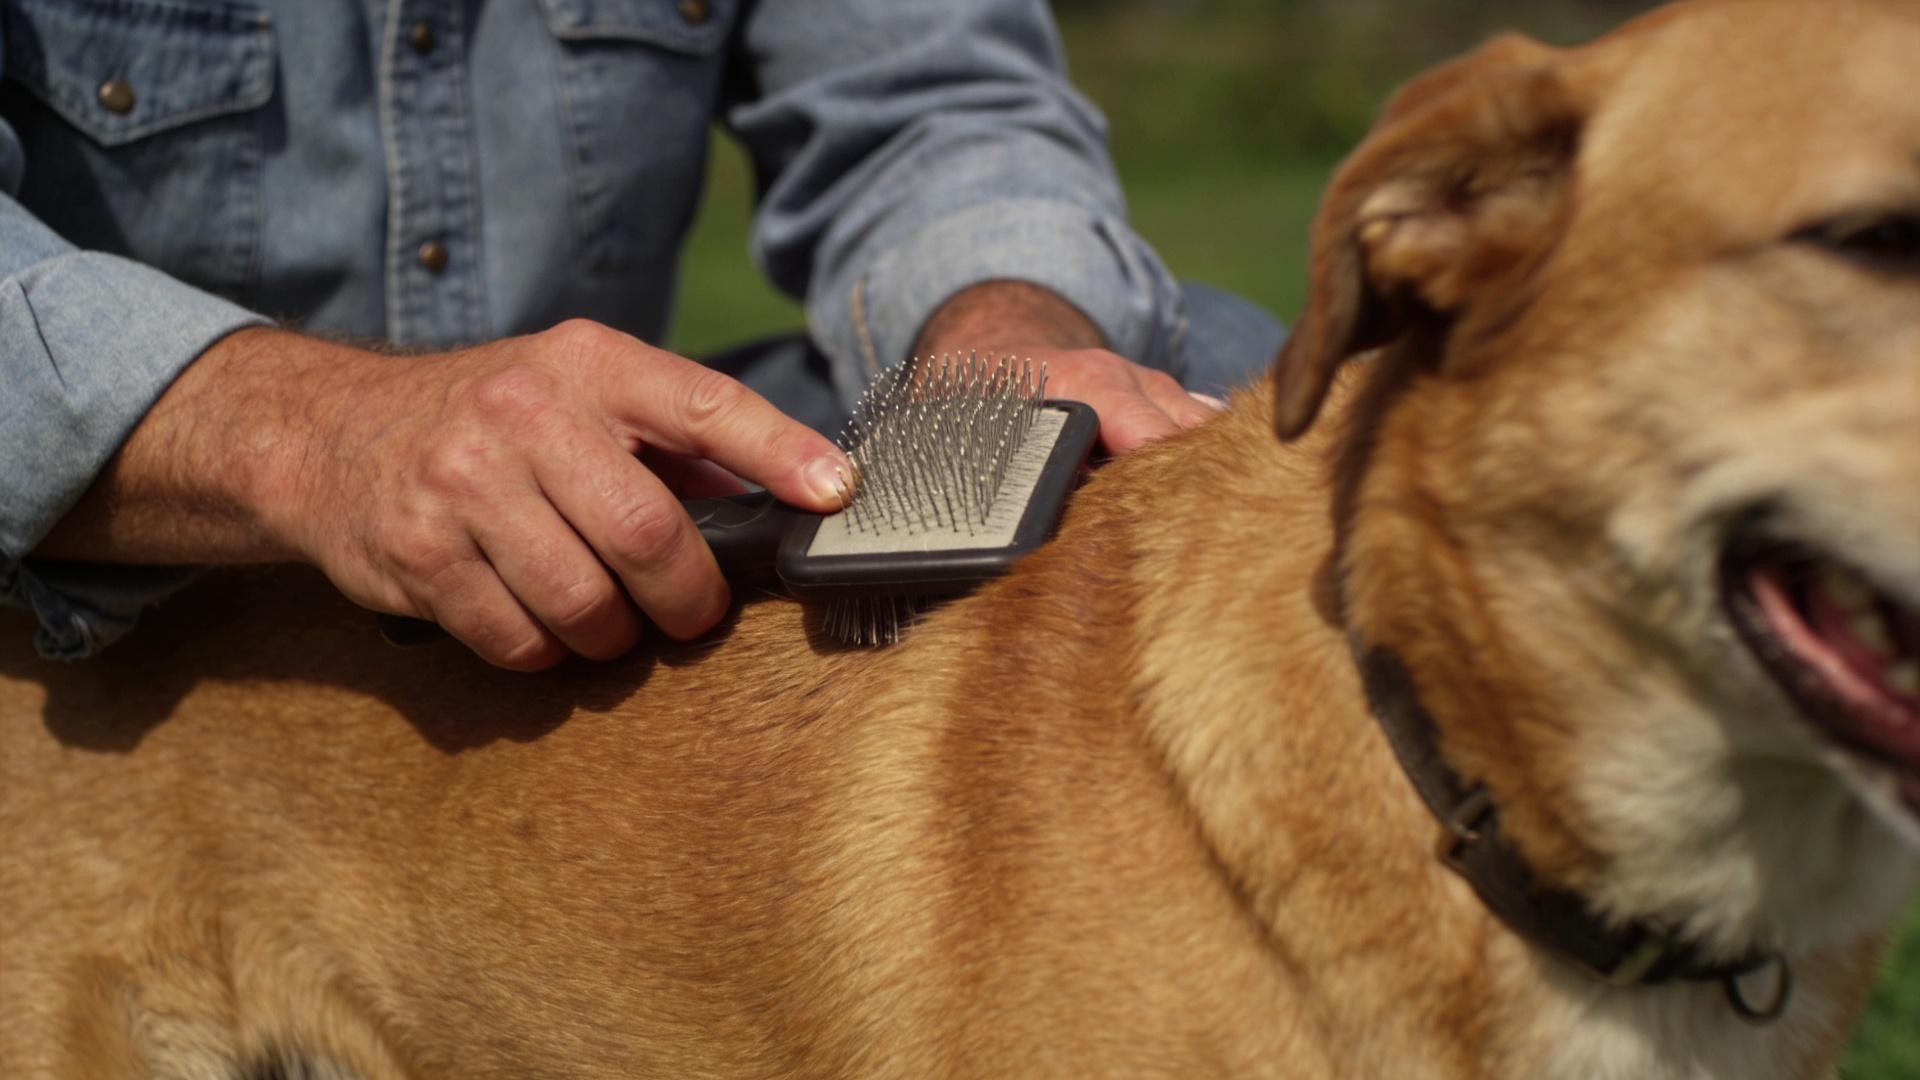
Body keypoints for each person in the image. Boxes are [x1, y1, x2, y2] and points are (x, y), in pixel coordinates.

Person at [0, 0, 1283, 670]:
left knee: (1206, 367)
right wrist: (322, 439)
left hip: (629, 473)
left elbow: (928, 100)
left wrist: (1004, 328)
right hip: (136, 556)